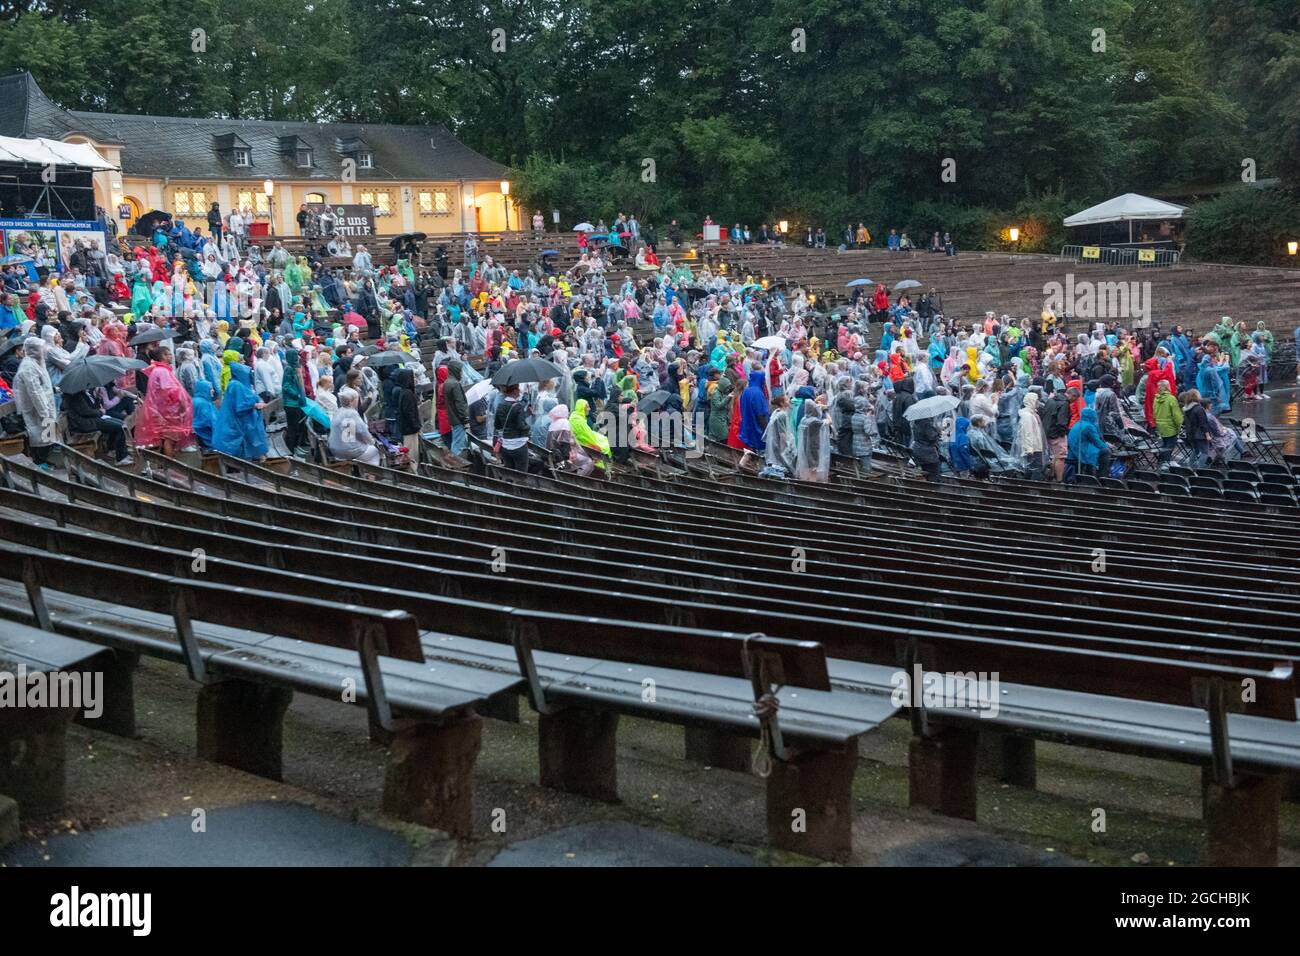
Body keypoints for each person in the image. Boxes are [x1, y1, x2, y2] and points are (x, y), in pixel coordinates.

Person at [12, 336, 57, 468]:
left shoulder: (37, 362)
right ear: (35, 350)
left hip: (46, 404)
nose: (44, 351)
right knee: (40, 436)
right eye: (41, 349)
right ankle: (39, 462)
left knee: (48, 435)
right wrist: (44, 411)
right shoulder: (28, 367)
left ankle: (44, 459)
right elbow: (35, 392)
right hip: (36, 409)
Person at [214, 362, 269, 460]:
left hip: (238, 418)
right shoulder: (236, 385)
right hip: (236, 420)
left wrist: (258, 401)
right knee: (245, 438)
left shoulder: (238, 384)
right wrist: (255, 405)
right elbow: (241, 405)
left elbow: (251, 396)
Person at [495, 382, 532, 471]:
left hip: (505, 444)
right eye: (518, 389)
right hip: (518, 444)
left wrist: (526, 413)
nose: (519, 391)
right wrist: (528, 427)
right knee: (521, 473)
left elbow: (497, 425)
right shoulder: (518, 406)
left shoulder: (500, 405)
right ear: (515, 391)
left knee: (510, 473)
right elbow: (521, 426)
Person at [1066, 407, 1109, 478]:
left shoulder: (1078, 423)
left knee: (1097, 450)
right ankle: (1102, 477)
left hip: (1073, 449)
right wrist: (1106, 446)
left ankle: (1091, 473)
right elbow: (1097, 442)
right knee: (1105, 452)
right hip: (1080, 450)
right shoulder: (1089, 426)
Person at [1151, 378, 1183, 467]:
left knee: (1164, 446)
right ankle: (1165, 465)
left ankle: (1161, 463)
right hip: (1171, 427)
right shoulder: (1171, 398)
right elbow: (1177, 415)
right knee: (1169, 447)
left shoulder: (1156, 399)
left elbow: (1154, 413)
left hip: (1160, 426)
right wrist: (1179, 425)